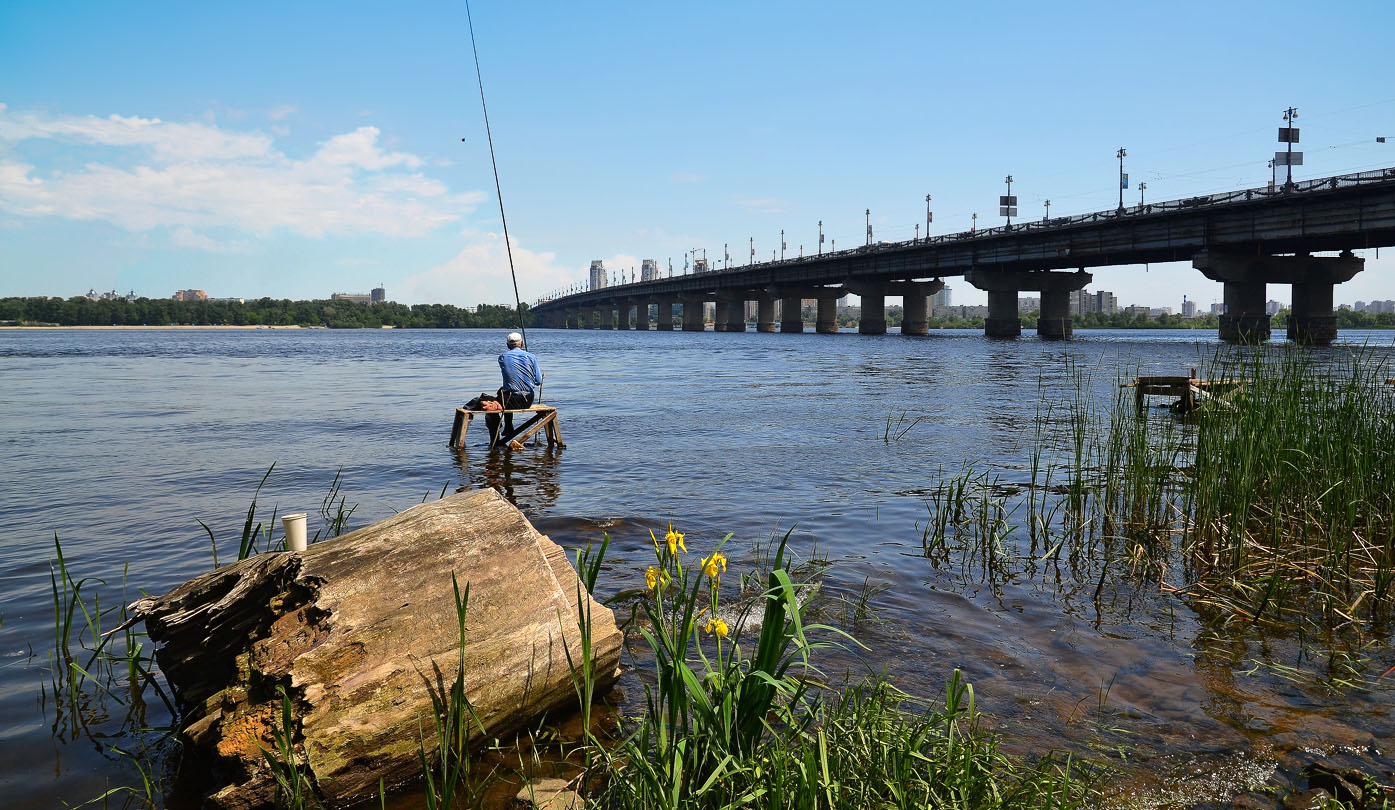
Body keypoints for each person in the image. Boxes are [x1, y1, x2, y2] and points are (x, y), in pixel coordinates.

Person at [486, 331, 542, 442]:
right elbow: (538, 381)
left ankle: (496, 440)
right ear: (522, 343)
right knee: (504, 392)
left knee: (497, 401)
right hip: (527, 400)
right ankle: (508, 426)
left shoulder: (502, 357)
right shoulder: (532, 357)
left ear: (507, 345)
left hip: (509, 400)